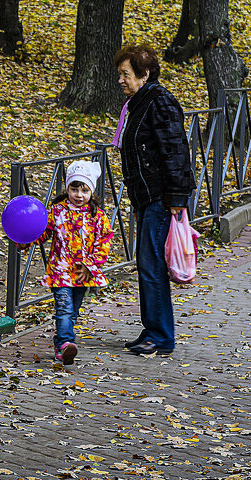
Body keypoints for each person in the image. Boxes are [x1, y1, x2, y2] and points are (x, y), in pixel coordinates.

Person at [112, 44, 195, 356]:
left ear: (144, 74)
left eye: (126, 74)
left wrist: (177, 198)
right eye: (120, 74)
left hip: (161, 197)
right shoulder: (139, 103)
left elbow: (175, 151)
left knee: (151, 264)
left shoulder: (159, 102)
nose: (120, 80)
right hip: (147, 197)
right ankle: (154, 331)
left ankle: (160, 336)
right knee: (148, 263)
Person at [20, 160, 113, 366]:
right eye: (74, 189)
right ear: (67, 189)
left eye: (84, 190)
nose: (79, 195)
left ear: (91, 192)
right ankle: (65, 344)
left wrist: (91, 265)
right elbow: (43, 233)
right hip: (60, 271)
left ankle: (60, 345)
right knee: (64, 309)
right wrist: (26, 240)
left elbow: (104, 242)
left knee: (73, 312)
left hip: (82, 273)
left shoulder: (97, 216)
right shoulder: (56, 211)